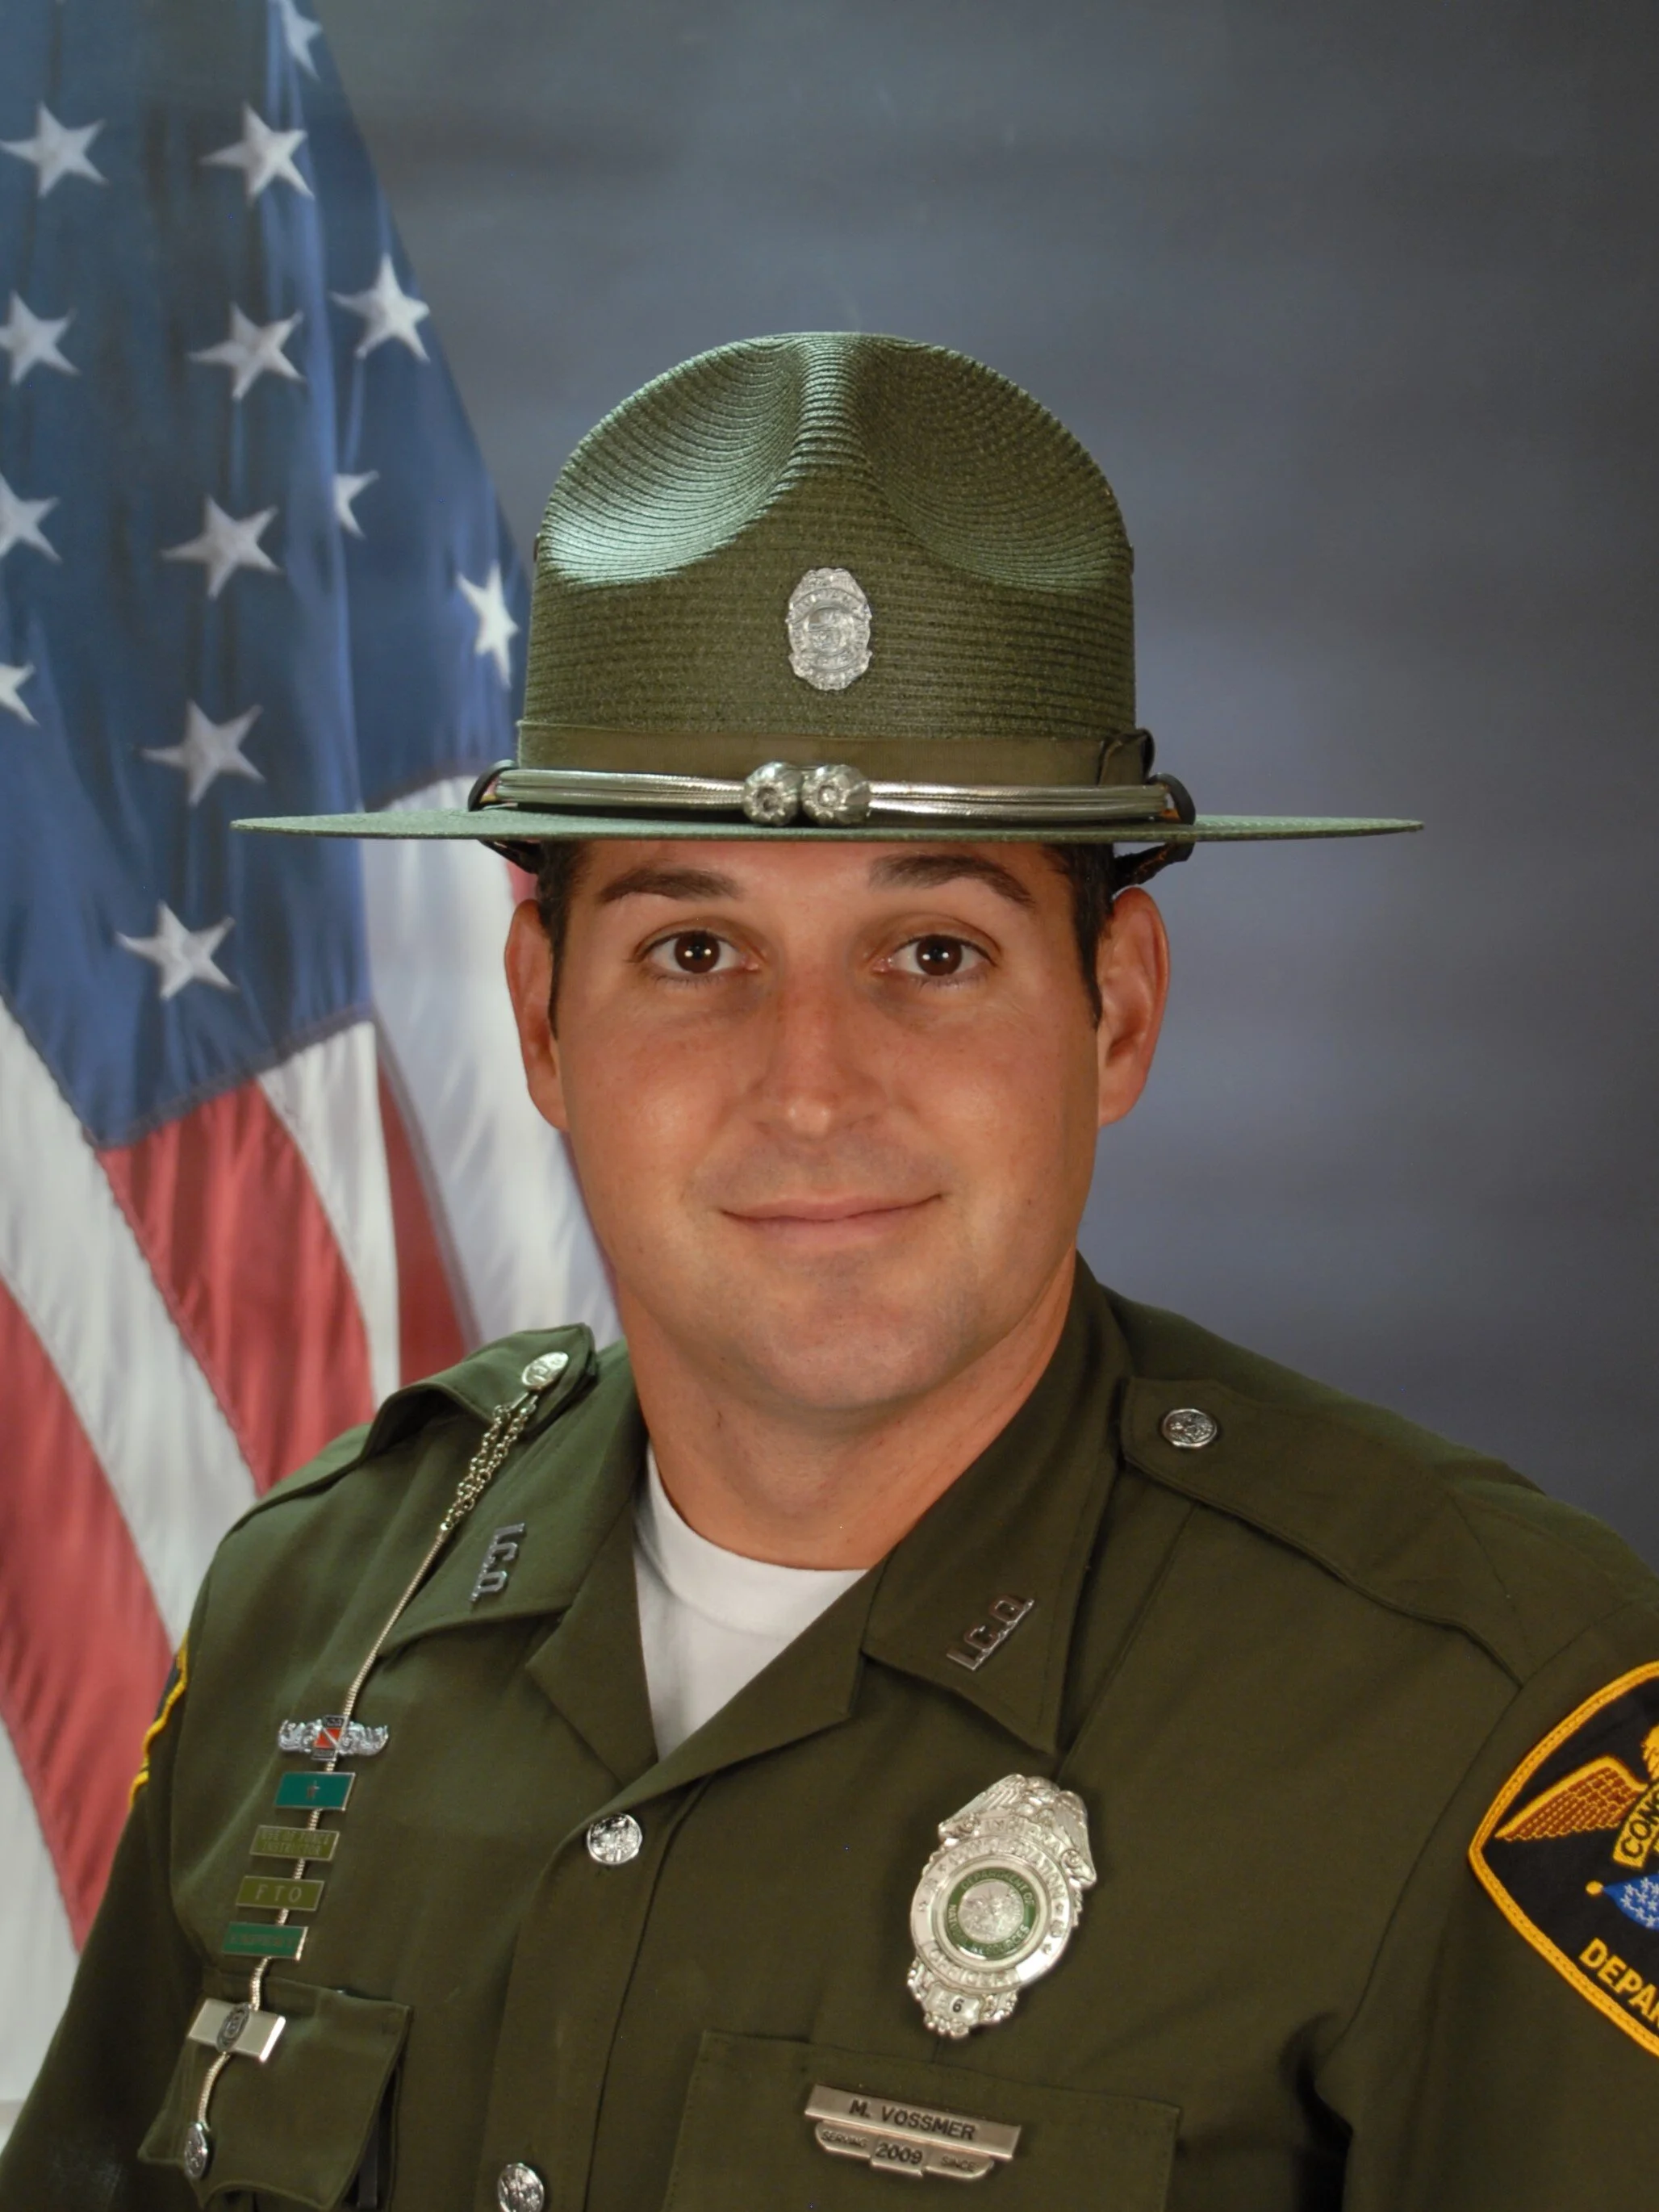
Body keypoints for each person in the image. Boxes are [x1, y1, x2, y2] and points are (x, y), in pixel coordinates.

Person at [5, 331, 1657, 2212]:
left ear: (1114, 1013)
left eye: (932, 952)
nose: (808, 1086)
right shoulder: (317, 1611)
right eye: (693, 951)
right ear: (539, 1017)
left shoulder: (1477, 1714)